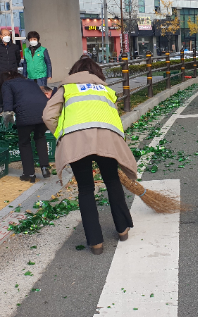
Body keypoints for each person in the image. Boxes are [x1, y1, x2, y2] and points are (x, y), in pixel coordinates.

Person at [43, 57, 136, 255]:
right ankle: (123, 230)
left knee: (86, 189)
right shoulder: (106, 90)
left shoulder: (67, 88)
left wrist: (62, 135)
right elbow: (114, 117)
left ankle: (96, 243)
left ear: (75, 72)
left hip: (76, 140)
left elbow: (48, 115)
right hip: (107, 138)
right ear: (97, 74)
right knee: (112, 182)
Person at [0, 71, 53, 182]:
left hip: (25, 114)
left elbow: (8, 104)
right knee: (40, 137)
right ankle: (44, 167)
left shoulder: (7, 84)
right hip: (43, 113)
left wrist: (7, 118)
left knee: (24, 142)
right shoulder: (30, 82)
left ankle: (29, 174)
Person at [0, 28, 22, 115]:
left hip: (12, 72)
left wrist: (13, 66)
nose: (7, 36)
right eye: (4, 35)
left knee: (13, 89)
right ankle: (1, 106)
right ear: (1, 36)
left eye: (8, 34)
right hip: (1, 73)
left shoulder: (14, 47)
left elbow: (18, 58)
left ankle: (14, 106)